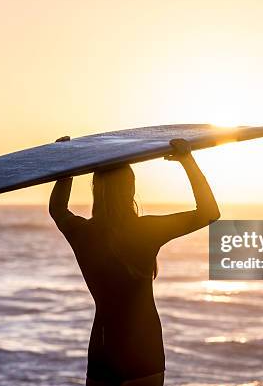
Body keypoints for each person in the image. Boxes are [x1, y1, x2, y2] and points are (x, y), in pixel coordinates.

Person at [49, 137, 220, 386]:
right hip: (143, 346)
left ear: (96, 189)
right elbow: (209, 212)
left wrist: (67, 165)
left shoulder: (82, 232)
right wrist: (187, 161)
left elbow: (57, 210)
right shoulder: (145, 230)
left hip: (103, 347)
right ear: (130, 188)